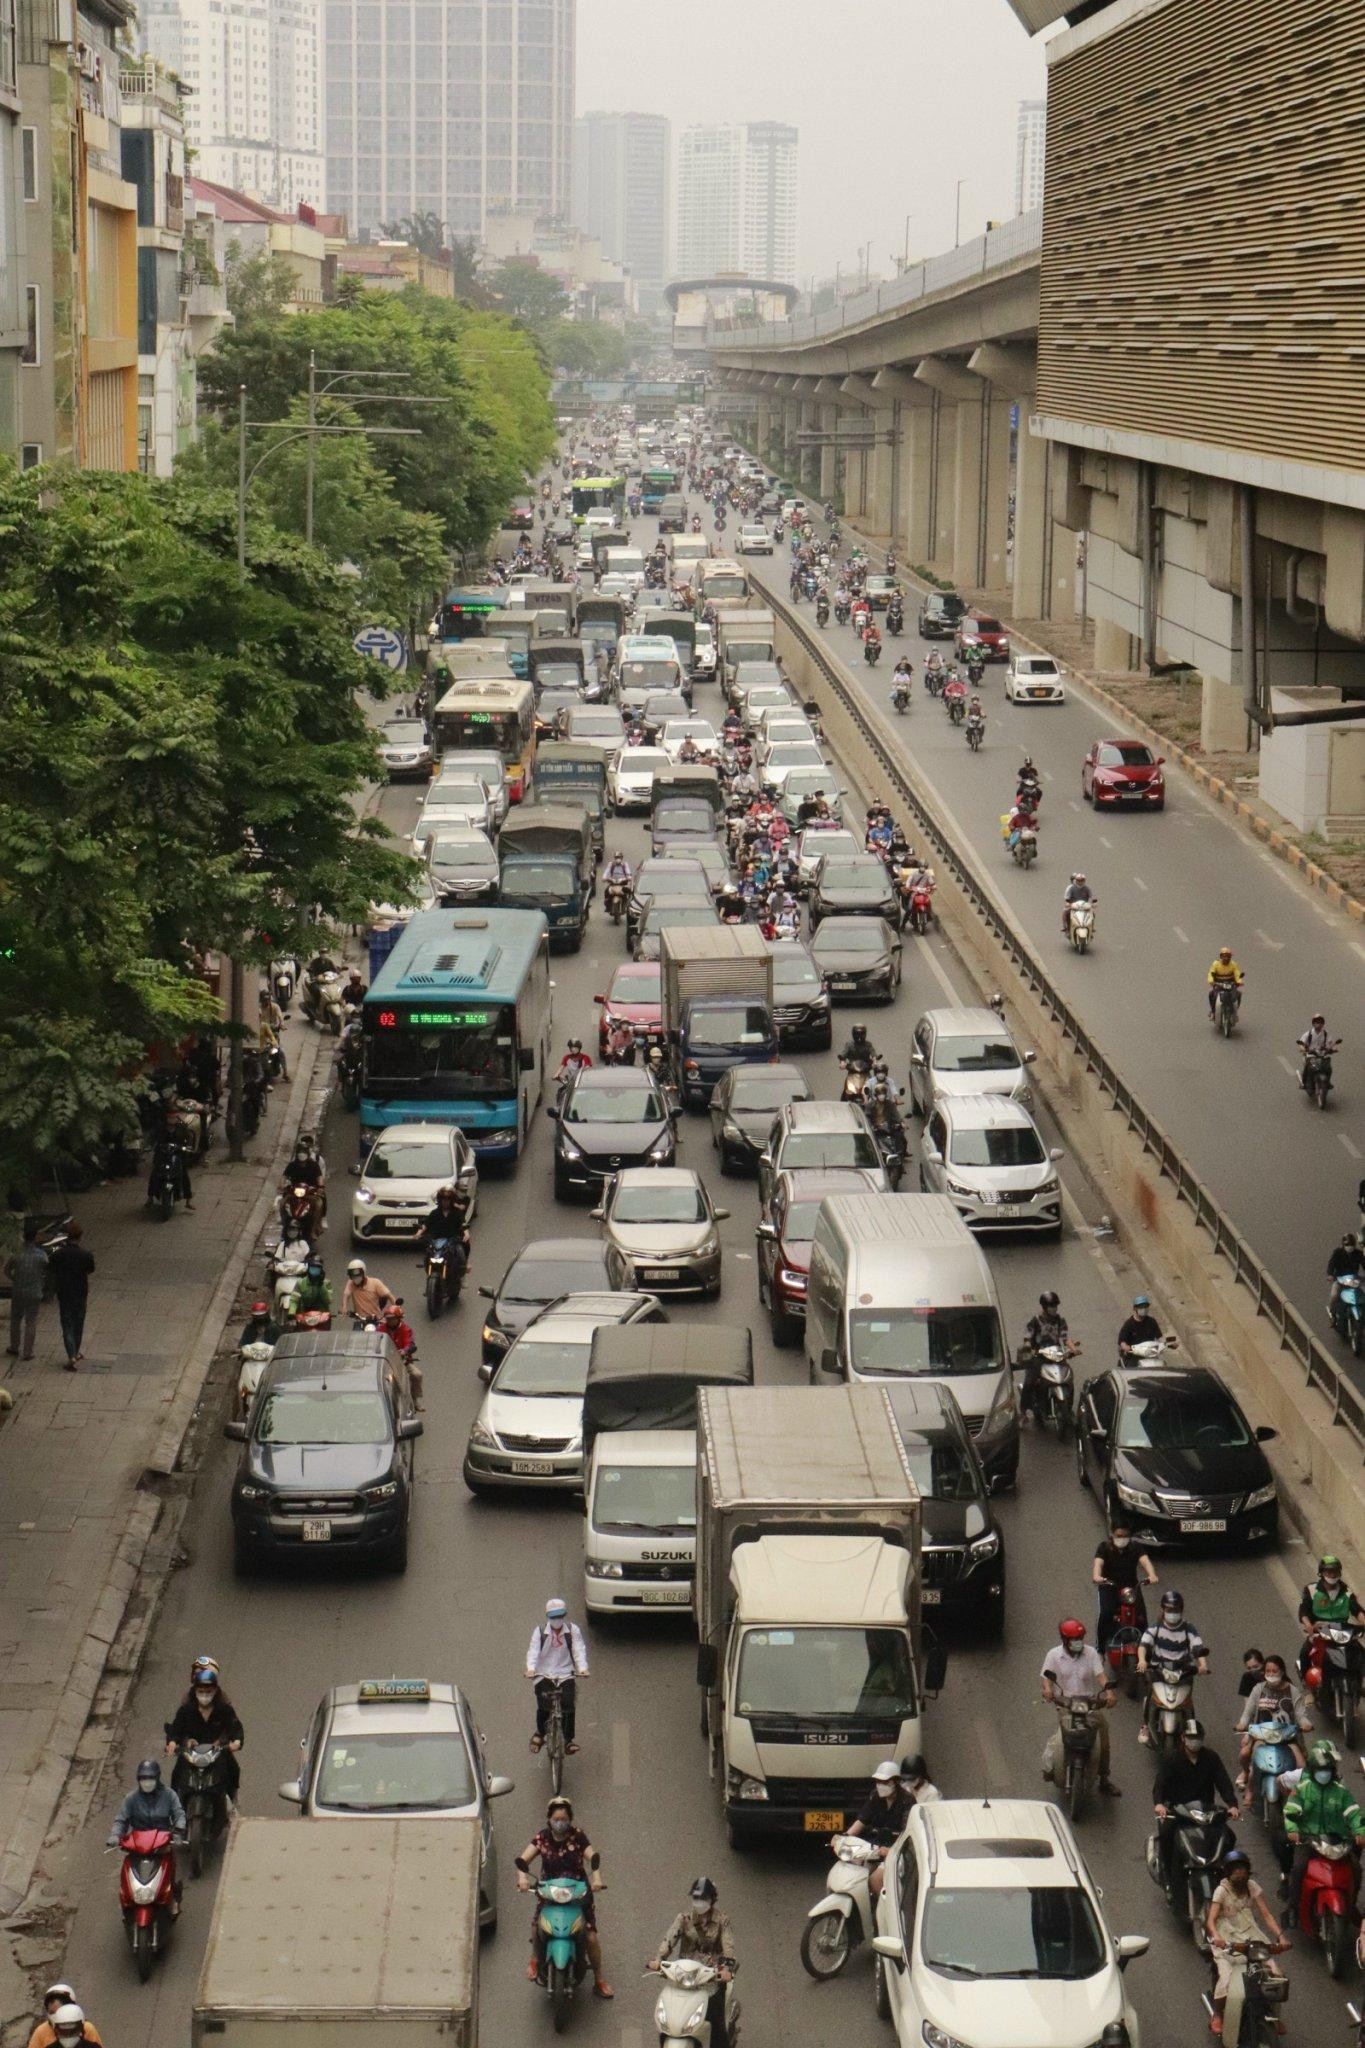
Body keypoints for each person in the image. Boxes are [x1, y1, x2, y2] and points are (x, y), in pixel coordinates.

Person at [515, 1798, 612, 1998]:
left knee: (591, 1937)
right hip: (549, 1892)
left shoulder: (578, 1836)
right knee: (536, 1926)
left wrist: (597, 1878)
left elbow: (592, 1857)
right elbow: (523, 1860)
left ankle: (599, 1980)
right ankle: (534, 1959)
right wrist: (523, 1878)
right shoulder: (542, 1838)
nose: (561, 1822)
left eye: (564, 1819)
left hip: (578, 1893)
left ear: (570, 1820)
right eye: (556, 1819)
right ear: (549, 1819)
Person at [1151, 1718, 1239, 1892]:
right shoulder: (1172, 1758)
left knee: (1229, 1837)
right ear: (1183, 1738)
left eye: (1198, 1737)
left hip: (1206, 1812)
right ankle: (1169, 1879)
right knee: (1167, 1836)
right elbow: (1160, 1784)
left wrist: (1232, 1805)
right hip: (1179, 1812)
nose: (1194, 1740)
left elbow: (1223, 1782)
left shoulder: (1211, 1757)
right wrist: (1160, 1804)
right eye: (1191, 1737)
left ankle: (1225, 1877)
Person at [1206, 1850, 1287, 2036]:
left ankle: (1273, 2015)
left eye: (1242, 1869)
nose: (1239, 1873)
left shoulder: (1252, 1887)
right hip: (1226, 1938)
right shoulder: (1222, 1890)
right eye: (1235, 1869)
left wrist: (1280, 1936)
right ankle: (1218, 2014)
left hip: (1250, 1933)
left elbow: (1266, 1915)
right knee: (1226, 1981)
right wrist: (1217, 1937)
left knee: (1275, 1975)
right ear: (1228, 1872)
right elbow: (1211, 1920)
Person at [649, 1879, 737, 2048]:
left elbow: (728, 1947)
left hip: (712, 1979)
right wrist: (658, 1959)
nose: (698, 1902)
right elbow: (669, 1939)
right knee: (668, 2021)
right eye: (695, 1898)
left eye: (702, 1898)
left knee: (717, 2027)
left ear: (712, 1899)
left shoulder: (722, 1921)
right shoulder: (684, 1918)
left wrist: (726, 1969)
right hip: (684, 1976)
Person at [1283, 1739, 1365, 1921]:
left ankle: (1350, 1906)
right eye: (1321, 1770)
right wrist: (1293, 1829)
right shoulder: (1302, 1789)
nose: (1324, 1773)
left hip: (1336, 1839)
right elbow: (1291, 1811)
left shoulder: (1340, 1791)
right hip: (1309, 1839)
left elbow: (1353, 1812)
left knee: (1356, 1869)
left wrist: (1360, 1832)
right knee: (1298, 1868)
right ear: (1313, 1769)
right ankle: (1293, 1908)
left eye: (1327, 1770)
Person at [1040, 1619, 1119, 1794]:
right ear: (1065, 1640)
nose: (1078, 1642)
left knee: (1103, 1736)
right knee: (1061, 1738)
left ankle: (1104, 1779)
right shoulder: (1053, 1655)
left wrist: (1109, 1693)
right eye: (1074, 1639)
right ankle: (1053, 1767)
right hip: (1066, 1704)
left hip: (1089, 1704)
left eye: (1080, 1638)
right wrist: (1047, 1690)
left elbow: (1101, 1676)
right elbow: (1046, 1676)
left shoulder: (1090, 1653)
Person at [107, 1759, 186, 1909]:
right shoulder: (131, 1799)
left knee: (169, 1867)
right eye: (143, 1779)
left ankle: (173, 1895)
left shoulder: (169, 1795)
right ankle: (127, 1896)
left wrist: (179, 1830)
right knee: (127, 1870)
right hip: (138, 1846)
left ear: (157, 1778)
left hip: (161, 1844)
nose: (147, 1782)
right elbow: (121, 1820)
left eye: (150, 1778)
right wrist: (115, 1836)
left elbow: (179, 1814)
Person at [165, 1655, 243, 1806]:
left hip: (215, 1748)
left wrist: (227, 1742)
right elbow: (179, 1726)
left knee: (232, 1767)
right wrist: (178, 1742)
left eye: (208, 1690)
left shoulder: (223, 1704)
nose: (204, 1694)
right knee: (178, 1771)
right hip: (193, 1749)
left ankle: (231, 1800)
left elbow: (232, 1726)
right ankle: (174, 1807)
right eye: (200, 1690)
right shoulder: (188, 1703)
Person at [1137, 1590, 1209, 1742]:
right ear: (1163, 1609)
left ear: (1181, 1611)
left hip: (1183, 1671)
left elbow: (1198, 1647)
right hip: (1159, 1670)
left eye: (1176, 1610)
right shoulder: (1155, 1627)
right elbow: (1144, 1644)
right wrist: (1142, 1660)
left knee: (1187, 1702)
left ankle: (1190, 1728)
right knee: (1150, 1694)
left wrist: (1202, 1665)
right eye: (1169, 1610)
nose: (1172, 1613)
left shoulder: (1188, 1628)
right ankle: (1144, 1725)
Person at [1235, 1653, 1313, 1785]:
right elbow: (1248, 1712)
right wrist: (1242, 1724)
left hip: (1287, 1737)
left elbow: (1300, 1715)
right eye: (1268, 1671)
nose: (1271, 1674)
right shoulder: (1258, 1689)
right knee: (1247, 1757)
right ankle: (1248, 1786)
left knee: (1302, 1768)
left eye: (1274, 1671)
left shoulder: (1292, 1691)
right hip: (1262, 1736)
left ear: (1282, 1672)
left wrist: (1306, 1724)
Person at [526, 1598, 589, 1755]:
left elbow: (578, 1649)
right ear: (548, 1617)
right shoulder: (540, 1632)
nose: (557, 1620)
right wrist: (531, 1669)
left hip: (566, 1673)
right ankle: (540, 1733)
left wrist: (582, 1668)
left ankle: (568, 1740)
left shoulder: (572, 1630)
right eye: (553, 1617)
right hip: (543, 1674)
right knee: (544, 1705)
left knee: (568, 1704)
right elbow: (533, 1652)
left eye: (559, 1616)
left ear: (564, 1615)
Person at [840, 1759, 912, 1894]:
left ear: (895, 1782)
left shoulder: (907, 1801)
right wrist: (844, 1836)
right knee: (854, 1872)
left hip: (896, 1852)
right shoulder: (875, 1796)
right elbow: (862, 1819)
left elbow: (907, 1831)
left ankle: (882, 1913)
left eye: (885, 1782)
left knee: (875, 1880)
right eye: (878, 1781)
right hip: (875, 1847)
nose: (880, 1785)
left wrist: (892, 1850)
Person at [1297, 1553, 1365, 1679]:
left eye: (1335, 1571)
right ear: (1321, 1573)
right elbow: (1304, 1609)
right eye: (1328, 1572)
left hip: (1342, 1630)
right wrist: (1308, 1625)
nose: (1332, 1575)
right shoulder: (1311, 1589)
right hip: (1319, 1630)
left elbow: (1356, 1609)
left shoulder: (1347, 1592)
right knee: (1304, 1653)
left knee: (1360, 1653)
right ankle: (1307, 1689)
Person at [1092, 1521, 1158, 1649]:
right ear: (1112, 1534)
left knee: (1141, 1617)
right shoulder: (1104, 1548)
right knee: (1105, 1614)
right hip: (1109, 1586)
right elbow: (1098, 1564)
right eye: (1119, 1535)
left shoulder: (1136, 1547)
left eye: (1125, 1536)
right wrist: (1097, 1576)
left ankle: (1146, 1650)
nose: (1122, 1539)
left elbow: (1145, 1561)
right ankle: (1100, 1649)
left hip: (1131, 1587)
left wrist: (1152, 1575)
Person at [1019, 1291, 1074, 1426]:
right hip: (1039, 1356)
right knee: (1030, 1382)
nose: (1054, 1309)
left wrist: (1072, 1348)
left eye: (1055, 1306)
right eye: (1051, 1306)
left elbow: (1065, 1338)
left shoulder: (1060, 1321)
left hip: (1056, 1355)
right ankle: (1023, 1413)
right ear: (1044, 1307)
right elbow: (1027, 1337)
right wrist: (1028, 1346)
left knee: (1069, 1379)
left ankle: (1069, 1409)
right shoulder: (1035, 1321)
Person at [46, 1222, 95, 1371]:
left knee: (67, 1324)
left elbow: (51, 1269)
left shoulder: (57, 1255)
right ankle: (76, 1351)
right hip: (80, 1292)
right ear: (80, 1237)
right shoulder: (86, 1255)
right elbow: (90, 1270)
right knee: (78, 1322)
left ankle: (71, 1355)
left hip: (64, 1292)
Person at [6, 1223, 48, 1360]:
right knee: (31, 1321)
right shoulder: (41, 1256)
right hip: (34, 1291)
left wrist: (15, 1278)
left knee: (16, 1319)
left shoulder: (16, 1254)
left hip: (18, 1291)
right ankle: (28, 1352)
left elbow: (7, 1270)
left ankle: (14, 1347)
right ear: (35, 1237)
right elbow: (47, 1271)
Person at [27, 1990, 102, 2048]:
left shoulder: (92, 2043)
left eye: (73, 2030)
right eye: (63, 2031)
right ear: (56, 2030)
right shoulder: (41, 2032)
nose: (68, 2035)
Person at [341, 1258, 396, 1324]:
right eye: (353, 1277)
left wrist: (395, 1310)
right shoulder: (351, 1283)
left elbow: (389, 1296)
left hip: (376, 1320)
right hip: (360, 1321)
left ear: (363, 1273)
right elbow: (346, 1294)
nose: (355, 1279)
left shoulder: (375, 1283)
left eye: (358, 1276)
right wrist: (344, 1307)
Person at [1297, 1013, 1339, 1087]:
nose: (1319, 1024)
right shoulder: (1308, 1034)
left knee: (1329, 1068)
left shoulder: (1326, 1034)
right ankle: (1303, 1082)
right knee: (1307, 1066)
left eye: (1321, 1022)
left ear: (1323, 1024)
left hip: (1322, 1055)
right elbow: (1301, 1043)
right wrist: (1303, 1048)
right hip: (1310, 1055)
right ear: (1313, 1023)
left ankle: (1328, 1082)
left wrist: (1333, 1049)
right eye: (1317, 1022)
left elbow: (1331, 1043)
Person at [287, 1256, 332, 1321]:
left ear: (321, 1270)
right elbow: (294, 1299)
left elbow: (328, 1300)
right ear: (308, 1269)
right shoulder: (300, 1282)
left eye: (317, 1268)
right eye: (313, 1268)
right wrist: (291, 1312)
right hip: (303, 1315)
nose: (314, 1270)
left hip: (321, 1317)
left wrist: (321, 1285)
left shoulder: (326, 1283)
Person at [1206, 947, 1244, 1020]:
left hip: (1230, 984)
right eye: (1224, 956)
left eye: (1228, 956)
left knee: (1238, 994)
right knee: (1211, 994)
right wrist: (1211, 981)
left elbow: (1237, 974)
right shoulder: (1216, 964)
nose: (1226, 958)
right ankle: (1213, 1012)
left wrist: (1239, 982)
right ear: (1221, 957)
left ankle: (1234, 1012)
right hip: (1219, 984)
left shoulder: (1233, 965)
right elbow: (1211, 974)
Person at [1062, 871, 1093, 939]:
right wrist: (1068, 903)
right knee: (1065, 911)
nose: (1080, 882)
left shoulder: (1087, 888)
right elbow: (1067, 897)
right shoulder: (1071, 888)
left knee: (1093, 913)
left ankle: (1091, 929)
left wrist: (1093, 903)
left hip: (1084, 906)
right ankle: (1065, 928)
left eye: (1082, 880)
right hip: (1073, 906)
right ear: (1076, 880)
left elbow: (1092, 896)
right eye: (1079, 880)